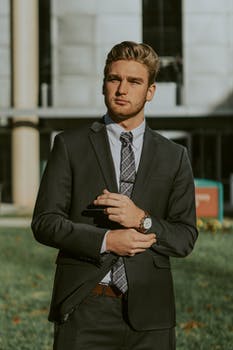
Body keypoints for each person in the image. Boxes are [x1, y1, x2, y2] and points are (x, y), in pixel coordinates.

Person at [31, 41, 198, 350]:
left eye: (134, 81)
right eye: (114, 79)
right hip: (85, 307)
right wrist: (106, 241)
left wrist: (143, 221)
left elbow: (185, 237)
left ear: (150, 91)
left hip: (152, 314)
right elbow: (44, 222)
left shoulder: (174, 156)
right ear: (103, 84)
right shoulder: (70, 146)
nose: (122, 89)